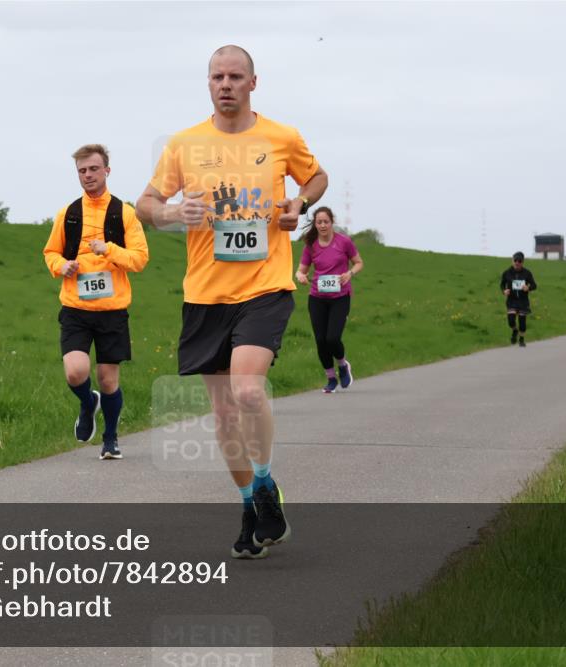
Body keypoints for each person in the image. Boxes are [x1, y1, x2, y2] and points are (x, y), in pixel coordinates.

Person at [136, 45, 328, 559]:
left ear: (253, 83)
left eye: (235, 76)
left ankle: (264, 482)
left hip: (265, 286)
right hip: (205, 294)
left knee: (247, 392)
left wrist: (299, 204)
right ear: (208, 83)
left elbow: (316, 177)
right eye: (217, 76)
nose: (226, 84)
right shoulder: (184, 145)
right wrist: (175, 212)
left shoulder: (281, 137)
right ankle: (249, 504)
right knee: (223, 414)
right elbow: (144, 205)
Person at [43, 144, 149, 460]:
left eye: (93, 169)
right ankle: (88, 403)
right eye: (82, 171)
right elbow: (51, 252)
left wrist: (109, 251)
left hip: (112, 311)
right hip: (75, 308)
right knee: (75, 372)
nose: (87, 175)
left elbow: (140, 259)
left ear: (107, 170)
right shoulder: (68, 214)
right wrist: (62, 266)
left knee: (107, 378)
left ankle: (110, 439)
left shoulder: (124, 213)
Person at [295, 207, 363, 392]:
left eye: (326, 221)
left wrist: (349, 273)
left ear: (332, 222)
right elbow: (301, 270)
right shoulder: (311, 245)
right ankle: (331, 379)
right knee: (320, 341)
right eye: (319, 222)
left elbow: (359, 263)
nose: (323, 225)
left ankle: (342, 365)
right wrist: (300, 276)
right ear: (315, 224)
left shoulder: (344, 242)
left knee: (332, 338)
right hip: (317, 298)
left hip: (340, 297)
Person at [500, 252, 537, 348]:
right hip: (511, 300)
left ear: (523, 262)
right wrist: (504, 291)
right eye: (515, 260)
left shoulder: (527, 273)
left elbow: (534, 285)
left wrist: (528, 288)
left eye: (519, 261)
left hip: (523, 301)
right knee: (511, 321)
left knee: (522, 322)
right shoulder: (507, 273)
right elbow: (502, 285)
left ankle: (521, 339)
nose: (517, 263)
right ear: (512, 261)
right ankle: (515, 330)